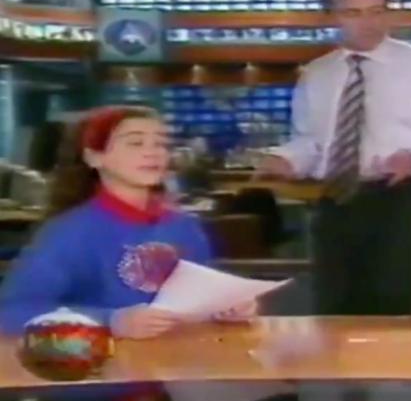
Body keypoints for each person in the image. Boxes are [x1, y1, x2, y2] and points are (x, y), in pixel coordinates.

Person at [256, 0, 411, 315]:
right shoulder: (317, 74)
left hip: (402, 206)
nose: (369, 23)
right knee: (334, 310)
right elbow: (312, 143)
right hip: (334, 206)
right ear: (331, 16)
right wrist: (286, 159)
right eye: (353, 13)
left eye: (377, 11)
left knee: (396, 312)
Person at [0, 105, 256, 338]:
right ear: (94, 157)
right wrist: (110, 321)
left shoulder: (185, 227)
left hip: (181, 363)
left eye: (161, 144)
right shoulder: (68, 232)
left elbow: (201, 299)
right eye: (135, 143)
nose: (153, 153)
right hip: (100, 366)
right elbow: (11, 312)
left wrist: (225, 308)